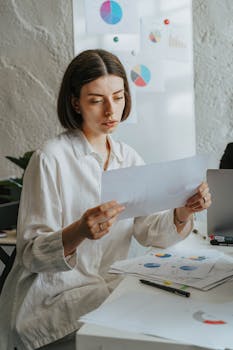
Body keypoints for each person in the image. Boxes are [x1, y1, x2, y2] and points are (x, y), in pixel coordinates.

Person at [0, 49, 211, 350]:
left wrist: (182, 211)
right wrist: (79, 231)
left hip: (104, 296)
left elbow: (148, 231)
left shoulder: (128, 158)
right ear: (76, 102)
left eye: (119, 96)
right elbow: (31, 255)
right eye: (96, 100)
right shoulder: (51, 159)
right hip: (51, 307)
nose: (111, 111)